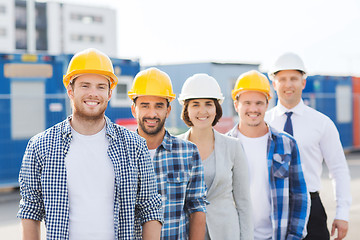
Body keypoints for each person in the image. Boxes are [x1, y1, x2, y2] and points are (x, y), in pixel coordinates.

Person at [17, 48, 163, 240]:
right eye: (85, 85)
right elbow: (31, 209)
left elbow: (150, 208)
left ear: (110, 93)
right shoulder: (41, 146)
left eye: (101, 87)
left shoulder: (134, 146)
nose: (93, 94)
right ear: (70, 90)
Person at [265, 52, 352, 240]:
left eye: (294, 79)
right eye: (282, 79)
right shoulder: (263, 123)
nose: (288, 84)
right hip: (271, 208)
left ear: (303, 83)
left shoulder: (322, 123)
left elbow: (338, 169)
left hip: (311, 209)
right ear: (274, 84)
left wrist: (342, 213)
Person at [227, 70, 309, 240]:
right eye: (247, 102)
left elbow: (300, 195)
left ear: (267, 104)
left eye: (259, 103)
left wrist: (294, 236)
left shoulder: (287, 143)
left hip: (277, 235)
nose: (253, 109)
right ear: (236, 105)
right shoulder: (223, 146)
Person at [128, 67, 207, 240]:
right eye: (145, 106)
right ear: (134, 110)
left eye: (159, 106)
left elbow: (197, 208)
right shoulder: (121, 153)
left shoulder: (188, 153)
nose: (152, 113)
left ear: (168, 110)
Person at [176, 73, 253, 240]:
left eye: (208, 104)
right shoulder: (174, 147)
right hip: (186, 233)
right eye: (195, 104)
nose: (202, 111)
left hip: (226, 233)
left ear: (216, 108)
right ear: (186, 110)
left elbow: (244, 204)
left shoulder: (233, 147)